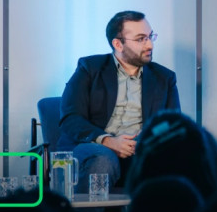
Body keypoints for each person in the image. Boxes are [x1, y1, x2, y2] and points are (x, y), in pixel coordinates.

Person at [57, 10, 180, 189]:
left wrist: (144, 140)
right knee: (102, 160)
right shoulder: (90, 69)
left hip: (140, 149)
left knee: (174, 160)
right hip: (94, 146)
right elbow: (71, 118)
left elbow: (171, 123)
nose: (150, 45)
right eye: (141, 39)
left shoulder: (164, 78)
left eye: (150, 37)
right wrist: (108, 141)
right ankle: (85, 210)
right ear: (118, 44)